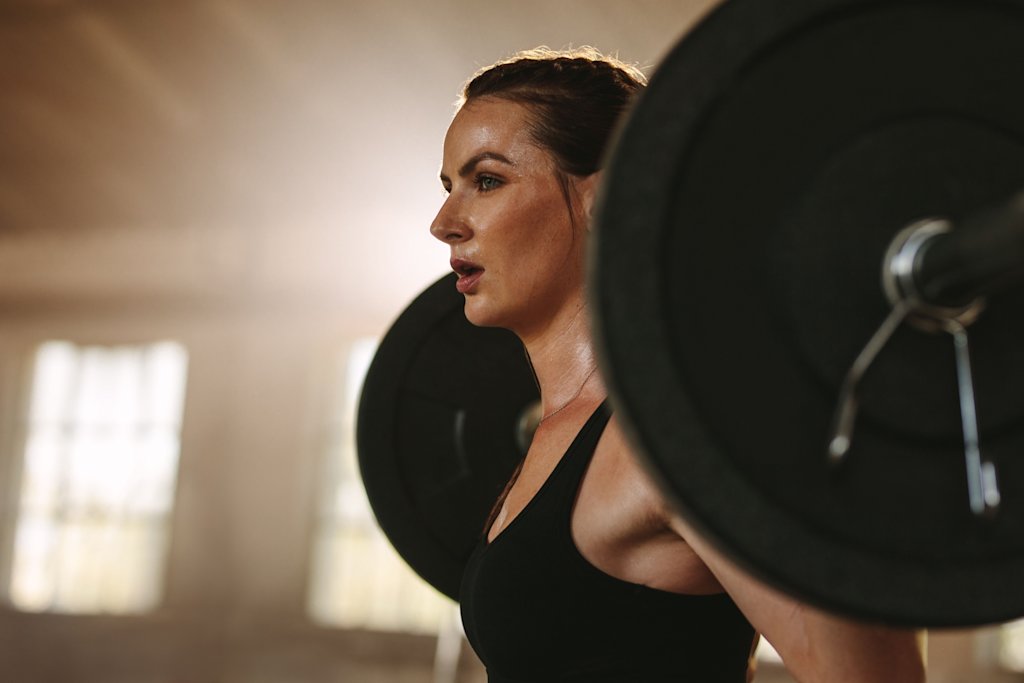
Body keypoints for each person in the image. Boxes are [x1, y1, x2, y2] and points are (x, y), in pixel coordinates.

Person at [429, 46, 926, 683]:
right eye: (449, 188)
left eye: (487, 180)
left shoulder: (674, 440)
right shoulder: (561, 432)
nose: (444, 223)